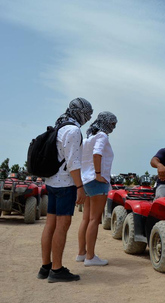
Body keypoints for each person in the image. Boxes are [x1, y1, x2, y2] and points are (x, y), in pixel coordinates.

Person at [37, 97, 93, 283]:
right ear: (80, 112)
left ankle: (45, 267)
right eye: (87, 113)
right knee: (63, 225)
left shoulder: (60, 125)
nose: (88, 117)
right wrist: (80, 187)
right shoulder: (73, 130)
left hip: (52, 181)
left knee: (50, 224)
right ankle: (57, 269)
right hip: (65, 185)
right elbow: (73, 163)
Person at [77, 112, 118, 267]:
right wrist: (99, 174)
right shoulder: (102, 136)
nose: (113, 127)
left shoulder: (88, 138)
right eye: (113, 123)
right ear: (106, 122)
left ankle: (81, 253)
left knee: (86, 219)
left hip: (86, 180)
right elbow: (97, 153)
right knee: (95, 219)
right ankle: (90, 256)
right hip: (97, 181)